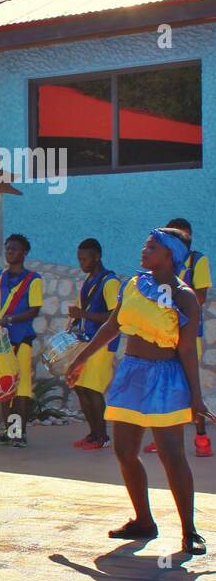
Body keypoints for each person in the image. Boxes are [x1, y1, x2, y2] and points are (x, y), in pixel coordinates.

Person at [66, 228, 212, 554]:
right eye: (145, 244)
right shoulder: (134, 284)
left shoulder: (183, 296)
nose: (144, 250)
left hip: (166, 379)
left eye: (152, 247)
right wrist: (81, 358)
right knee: (123, 451)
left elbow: (187, 351)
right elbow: (112, 324)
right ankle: (144, 522)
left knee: (172, 455)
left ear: (170, 255)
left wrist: (196, 397)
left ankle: (190, 531)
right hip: (132, 374)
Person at [145, 217, 211, 457]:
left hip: (187, 333)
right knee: (164, 387)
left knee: (191, 387)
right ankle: (163, 439)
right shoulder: (160, 264)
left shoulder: (197, 261)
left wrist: (176, 303)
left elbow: (200, 296)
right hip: (162, 334)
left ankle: (202, 437)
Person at [0, 234, 43, 448]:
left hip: (20, 339)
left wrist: (7, 319)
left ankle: (19, 433)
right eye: (8, 249)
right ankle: (10, 432)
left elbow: (34, 310)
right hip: (0, 341)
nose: (10, 252)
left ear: (24, 253)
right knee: (5, 388)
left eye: (14, 249)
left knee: (21, 389)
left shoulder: (34, 279)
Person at [67, 238, 120, 450]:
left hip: (103, 344)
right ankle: (93, 433)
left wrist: (83, 313)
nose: (81, 263)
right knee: (80, 387)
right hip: (86, 341)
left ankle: (103, 436)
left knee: (92, 388)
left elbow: (115, 316)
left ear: (97, 257)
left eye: (84, 259)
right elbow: (81, 313)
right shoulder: (89, 280)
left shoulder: (110, 282)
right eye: (79, 259)